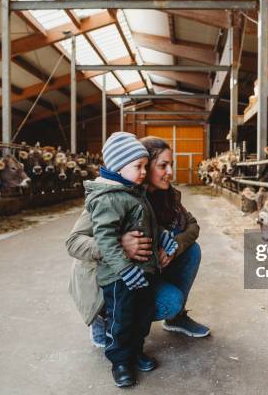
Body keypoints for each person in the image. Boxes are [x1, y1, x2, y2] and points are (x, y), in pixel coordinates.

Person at [66, 136, 210, 378]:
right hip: (112, 276)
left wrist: (172, 245)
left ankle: (160, 329)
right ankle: (103, 323)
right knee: (126, 313)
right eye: (162, 165)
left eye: (170, 164)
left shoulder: (165, 196)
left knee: (190, 251)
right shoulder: (112, 195)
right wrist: (119, 244)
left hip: (142, 269)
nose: (170, 172)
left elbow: (192, 226)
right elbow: (74, 242)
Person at [83, 132, 159, 388]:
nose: (142, 171)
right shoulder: (108, 198)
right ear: (117, 167)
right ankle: (120, 362)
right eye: (137, 166)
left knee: (142, 315)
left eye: (145, 166)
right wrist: (125, 269)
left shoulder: (134, 192)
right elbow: (105, 239)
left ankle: (136, 351)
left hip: (143, 272)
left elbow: (146, 226)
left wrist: (164, 238)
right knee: (121, 320)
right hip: (119, 277)